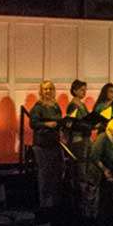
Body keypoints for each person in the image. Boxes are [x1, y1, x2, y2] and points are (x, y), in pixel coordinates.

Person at [29, 80, 65, 209]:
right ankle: (44, 204)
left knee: (56, 174)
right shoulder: (38, 107)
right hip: (42, 145)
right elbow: (33, 124)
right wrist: (46, 124)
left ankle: (55, 203)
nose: (48, 91)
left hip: (54, 143)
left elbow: (60, 121)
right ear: (41, 91)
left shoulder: (56, 106)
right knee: (45, 175)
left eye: (50, 89)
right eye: (45, 89)